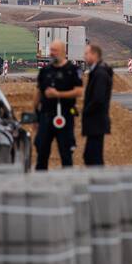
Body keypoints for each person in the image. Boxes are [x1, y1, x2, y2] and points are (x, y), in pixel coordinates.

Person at [34, 40, 83, 170]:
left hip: (65, 116)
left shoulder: (72, 70)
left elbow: (79, 91)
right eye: (51, 50)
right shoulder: (45, 71)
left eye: (54, 50)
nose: (51, 53)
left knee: (66, 152)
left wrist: (58, 94)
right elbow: (39, 92)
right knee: (42, 151)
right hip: (46, 116)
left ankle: (67, 183)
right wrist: (35, 114)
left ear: (62, 51)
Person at [81, 43, 113, 166]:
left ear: (94, 55)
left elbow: (98, 99)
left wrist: (86, 111)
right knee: (91, 156)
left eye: (86, 54)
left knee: (92, 157)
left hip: (96, 122)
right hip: (95, 123)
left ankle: (99, 183)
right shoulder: (97, 72)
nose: (84, 56)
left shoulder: (100, 74)